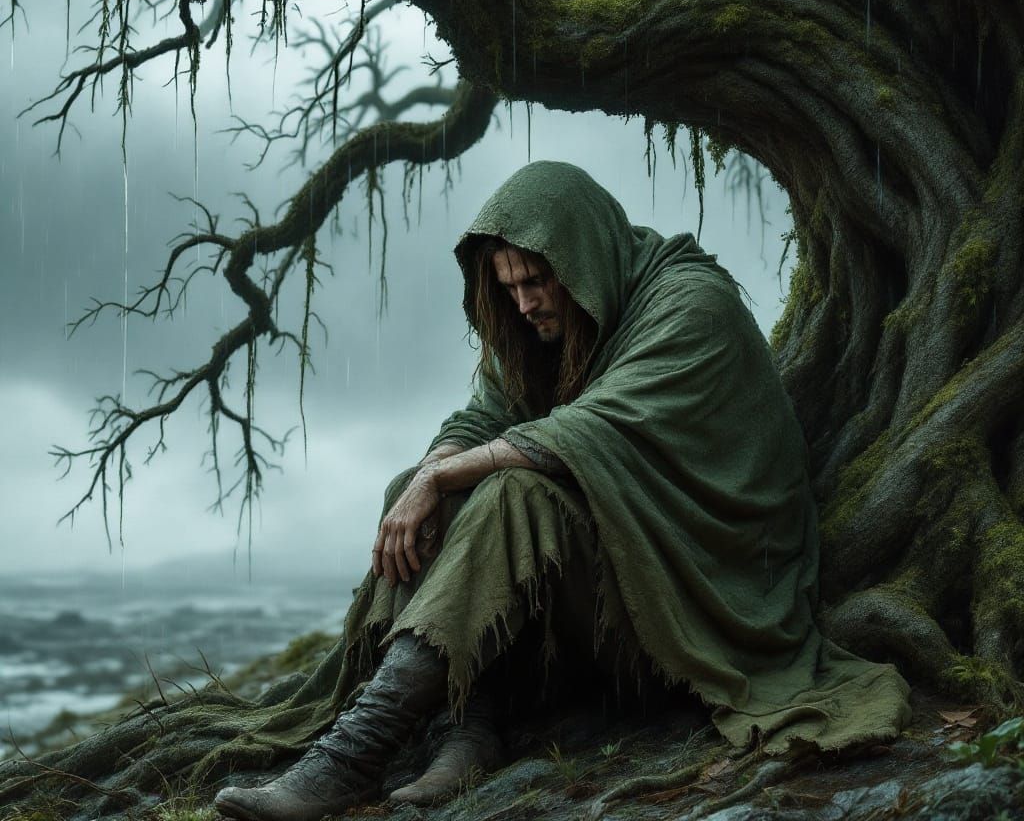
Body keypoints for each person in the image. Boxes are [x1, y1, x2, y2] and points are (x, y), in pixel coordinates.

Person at [214, 161, 911, 821]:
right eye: (510, 287)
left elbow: (591, 427)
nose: (525, 303)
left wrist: (448, 472)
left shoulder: (691, 304)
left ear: (580, 254)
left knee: (514, 496)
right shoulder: (538, 327)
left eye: (539, 281)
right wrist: (426, 478)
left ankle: (354, 754)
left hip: (699, 597)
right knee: (423, 485)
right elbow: (482, 418)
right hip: (608, 588)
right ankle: (467, 725)